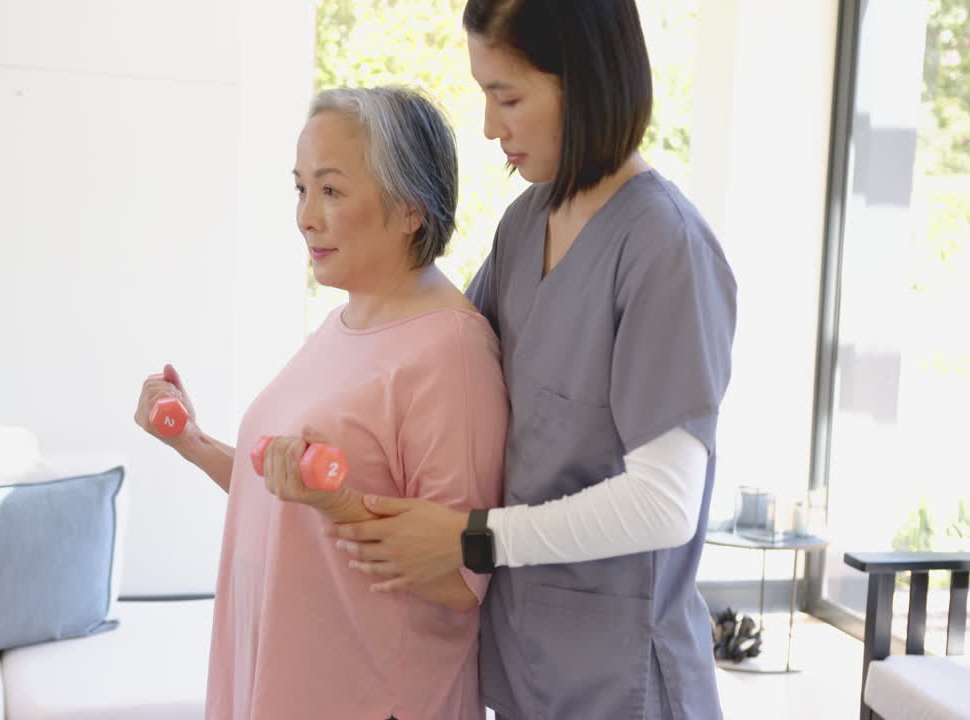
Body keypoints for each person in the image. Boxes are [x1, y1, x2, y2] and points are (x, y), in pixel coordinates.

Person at [330, 2, 737, 719]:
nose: (490, 127)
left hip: (622, 683)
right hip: (524, 667)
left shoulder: (665, 249)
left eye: (507, 96)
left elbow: (664, 503)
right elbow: (450, 364)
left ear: (585, 80)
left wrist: (474, 537)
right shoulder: (524, 225)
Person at [135, 86, 508, 720]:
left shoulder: (452, 350)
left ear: (412, 209)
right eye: (301, 189)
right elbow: (284, 502)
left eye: (331, 191)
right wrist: (192, 443)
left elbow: (460, 582)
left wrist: (331, 499)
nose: (306, 216)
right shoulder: (345, 323)